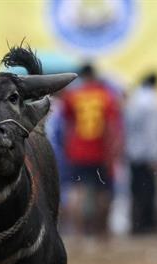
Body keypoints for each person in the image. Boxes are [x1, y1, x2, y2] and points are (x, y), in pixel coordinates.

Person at [61, 63, 123, 240]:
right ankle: (101, 232)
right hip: (101, 153)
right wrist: (113, 150)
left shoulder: (72, 95)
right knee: (103, 193)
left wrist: (68, 148)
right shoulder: (107, 96)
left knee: (77, 192)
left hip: (77, 152)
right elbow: (112, 126)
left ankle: (78, 233)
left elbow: (68, 125)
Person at [124, 72, 157, 235]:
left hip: (132, 151)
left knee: (136, 189)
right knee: (149, 189)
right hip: (146, 153)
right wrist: (155, 156)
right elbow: (151, 131)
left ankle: (136, 224)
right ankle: (147, 224)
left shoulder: (134, 98)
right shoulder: (151, 100)